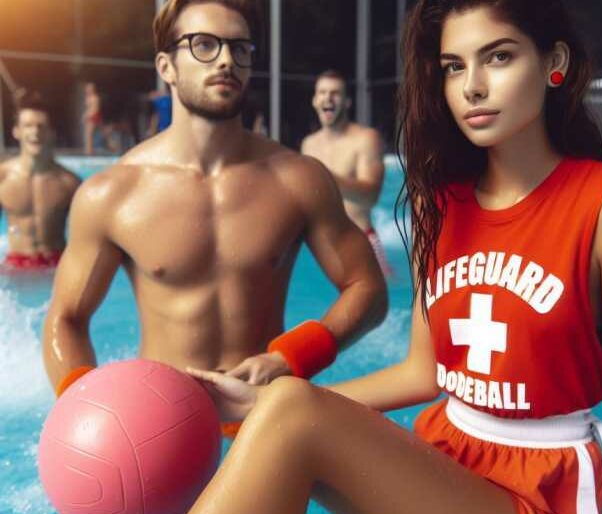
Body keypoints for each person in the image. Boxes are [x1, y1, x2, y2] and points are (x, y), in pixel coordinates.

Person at [174, 1, 602, 514]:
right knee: (284, 403)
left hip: (539, 491)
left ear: (553, 61)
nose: (473, 87)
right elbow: (423, 373)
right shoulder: (437, 203)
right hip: (445, 459)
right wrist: (260, 403)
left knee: (291, 406)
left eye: (499, 57)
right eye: (454, 67)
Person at [42, 0, 387, 435]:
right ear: (166, 66)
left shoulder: (298, 179)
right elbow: (66, 318)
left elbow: (369, 290)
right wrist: (89, 414)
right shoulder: (111, 194)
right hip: (163, 431)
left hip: (267, 424)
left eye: (240, 48)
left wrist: (291, 357)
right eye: (204, 45)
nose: (227, 59)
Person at [302, 70, 393, 276]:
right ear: (315, 101)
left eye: (335, 93)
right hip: (322, 247)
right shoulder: (309, 144)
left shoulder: (366, 139)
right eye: (322, 93)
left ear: (347, 102)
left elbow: (370, 197)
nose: (328, 98)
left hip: (362, 241)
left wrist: (325, 176)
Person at [0, 90, 80, 270]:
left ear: (52, 132)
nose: (35, 132)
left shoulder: (69, 183)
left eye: (41, 126)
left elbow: (85, 243)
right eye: (28, 125)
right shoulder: (2, 178)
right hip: (15, 267)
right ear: (16, 131)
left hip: (55, 267)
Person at [82, 82, 103, 155]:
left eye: (89, 88)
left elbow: (95, 109)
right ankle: (88, 150)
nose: (87, 90)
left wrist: (86, 116)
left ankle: (89, 151)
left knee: (88, 134)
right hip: (90, 116)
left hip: (93, 117)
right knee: (88, 134)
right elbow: (88, 108)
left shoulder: (95, 98)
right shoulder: (87, 98)